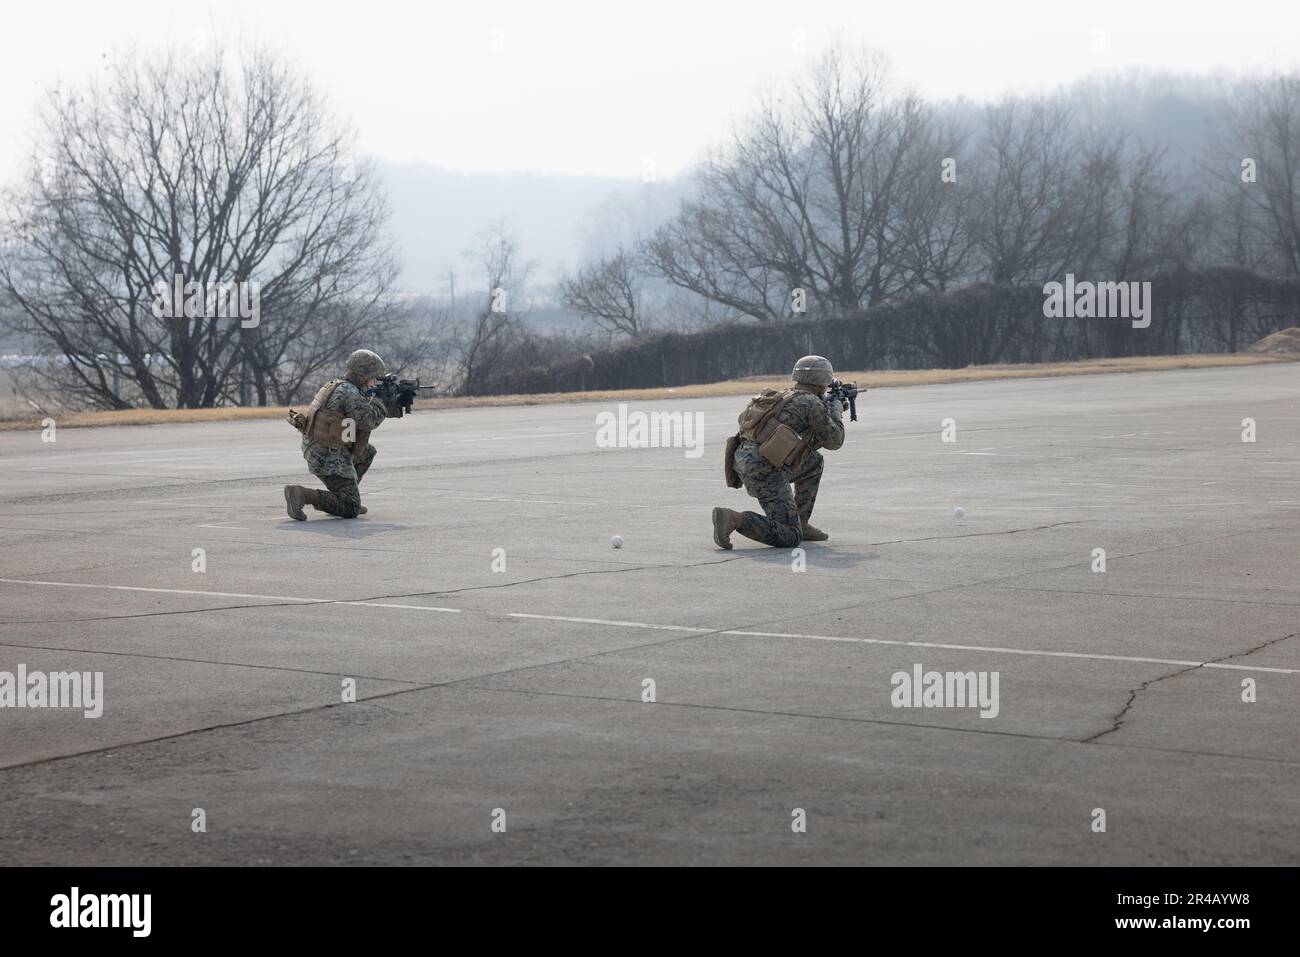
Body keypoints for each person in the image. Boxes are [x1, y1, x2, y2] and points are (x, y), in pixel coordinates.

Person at [713, 355, 845, 549]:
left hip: (747, 462)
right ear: (822, 383)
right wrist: (836, 412)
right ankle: (735, 519)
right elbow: (835, 441)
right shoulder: (812, 404)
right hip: (766, 471)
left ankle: (802, 522)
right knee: (790, 536)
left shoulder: (784, 395)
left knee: (814, 462)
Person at [284, 349, 390, 520]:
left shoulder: (338, 385)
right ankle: (304, 495)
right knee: (351, 508)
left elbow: (358, 412)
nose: (374, 382)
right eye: (373, 378)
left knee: (367, 452)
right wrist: (382, 401)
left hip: (318, 447)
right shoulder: (349, 392)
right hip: (326, 455)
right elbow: (370, 420)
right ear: (363, 376)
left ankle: (340, 497)